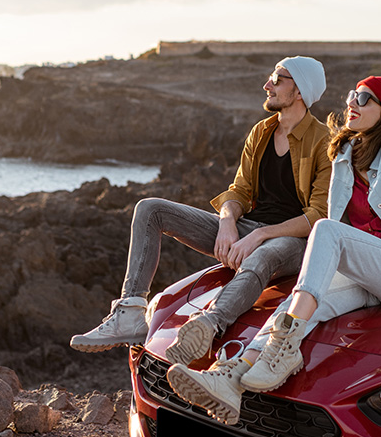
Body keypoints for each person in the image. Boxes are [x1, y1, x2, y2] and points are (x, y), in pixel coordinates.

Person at [167, 35, 381, 425]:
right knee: (302, 302)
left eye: (363, 99)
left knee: (326, 231)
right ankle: (232, 378)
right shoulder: (343, 156)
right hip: (363, 268)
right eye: (350, 96)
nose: (351, 104)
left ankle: (285, 349)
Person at [70, 56, 332, 369]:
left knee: (260, 255)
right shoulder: (261, 132)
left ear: (300, 91)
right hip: (248, 229)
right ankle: (129, 313)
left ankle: (207, 327)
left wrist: (260, 234)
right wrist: (227, 221)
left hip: (291, 241)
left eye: (277, 79)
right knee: (150, 209)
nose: (267, 85)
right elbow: (239, 191)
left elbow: (318, 214)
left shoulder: (324, 141)